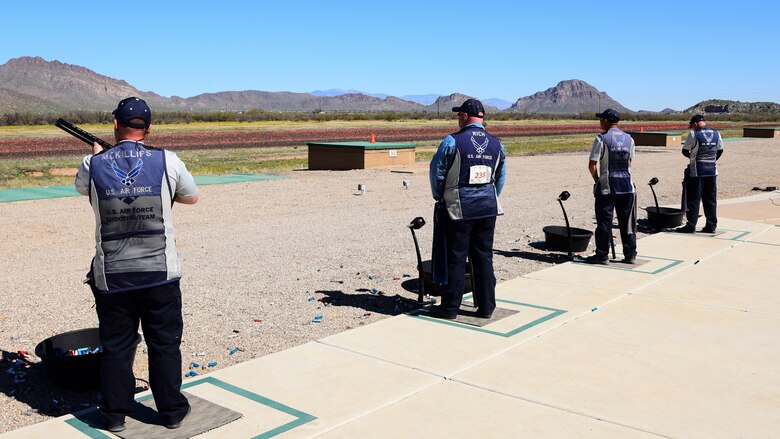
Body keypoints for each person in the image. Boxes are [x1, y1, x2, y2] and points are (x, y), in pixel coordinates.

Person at [75, 97, 199, 433]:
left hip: (112, 276)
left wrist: (101, 158)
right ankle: (172, 411)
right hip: (160, 272)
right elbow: (192, 196)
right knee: (164, 343)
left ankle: (114, 414)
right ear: (149, 127)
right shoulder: (168, 161)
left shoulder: (92, 164)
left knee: (117, 345)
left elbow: (86, 192)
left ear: (115, 124)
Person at [428, 99, 506, 319]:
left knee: (456, 258)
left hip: (459, 209)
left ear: (463, 116)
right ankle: (486, 307)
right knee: (483, 258)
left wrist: (440, 195)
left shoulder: (452, 141)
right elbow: (500, 178)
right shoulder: (497, 143)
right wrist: (491, 197)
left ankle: (450, 308)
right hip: (488, 209)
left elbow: (437, 172)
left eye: (458, 116)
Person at [585, 108, 637, 265]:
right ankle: (630, 254)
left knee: (604, 222)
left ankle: (602, 255)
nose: (600, 122)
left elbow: (592, 165)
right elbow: (630, 162)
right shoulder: (630, 138)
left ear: (607, 121)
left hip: (607, 186)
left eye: (601, 119)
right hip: (627, 186)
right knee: (627, 222)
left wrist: (597, 181)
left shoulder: (601, 138)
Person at [676, 114, 724, 233]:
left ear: (696, 124)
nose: (692, 128)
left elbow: (685, 150)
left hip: (697, 171)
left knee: (694, 198)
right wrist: (712, 159)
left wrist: (693, 159)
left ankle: (691, 225)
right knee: (710, 199)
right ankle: (711, 225)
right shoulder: (716, 133)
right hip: (712, 170)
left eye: (692, 125)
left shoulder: (694, 134)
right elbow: (720, 150)